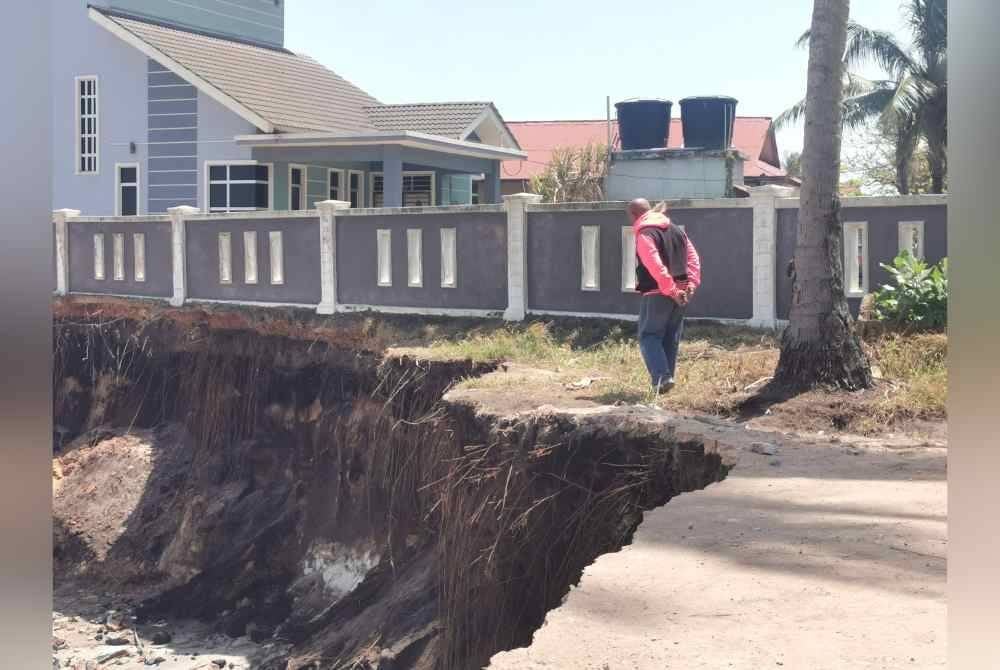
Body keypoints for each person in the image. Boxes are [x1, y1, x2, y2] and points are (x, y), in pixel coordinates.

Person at [627, 198, 701, 394]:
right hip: (682, 291)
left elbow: (654, 264)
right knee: (670, 336)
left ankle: (661, 377)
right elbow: (693, 258)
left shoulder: (645, 233)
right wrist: (691, 284)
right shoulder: (677, 230)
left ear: (633, 215)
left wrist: (671, 290)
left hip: (658, 292)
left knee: (649, 335)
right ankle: (667, 379)